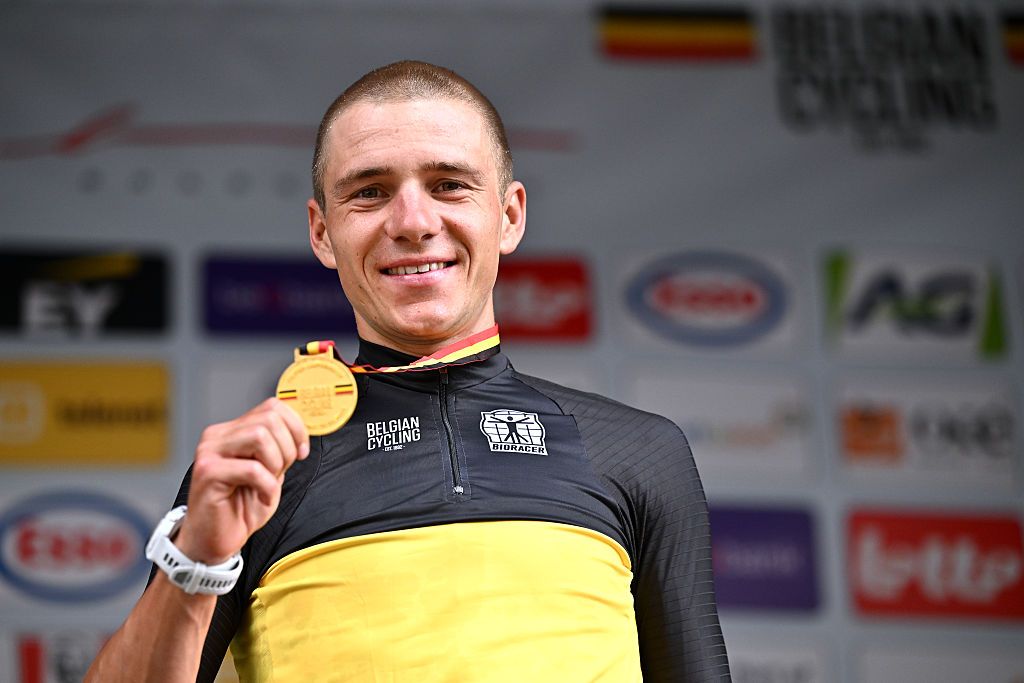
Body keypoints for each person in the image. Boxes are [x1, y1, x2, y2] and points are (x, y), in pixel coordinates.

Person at [87, 61, 730, 682]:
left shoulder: (638, 452)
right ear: (322, 232)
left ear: (509, 216)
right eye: (369, 192)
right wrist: (194, 561)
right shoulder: (258, 473)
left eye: (449, 184)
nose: (414, 223)